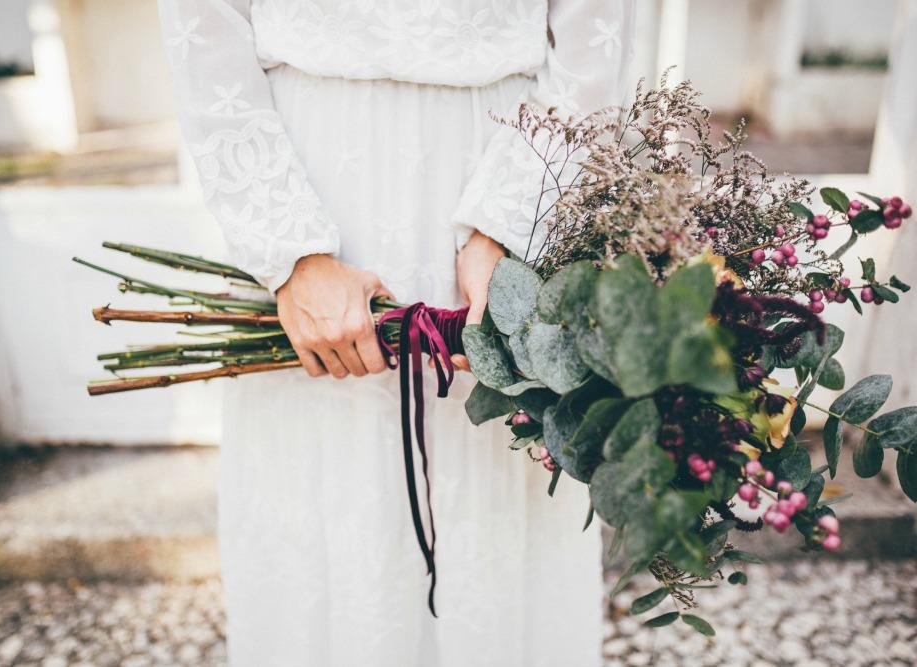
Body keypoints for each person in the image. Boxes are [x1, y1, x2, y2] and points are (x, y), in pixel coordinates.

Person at [157, 1, 634, 664]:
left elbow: (594, 30)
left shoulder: (512, 215)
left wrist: (512, 223)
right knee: (327, 516)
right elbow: (201, 21)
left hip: (505, 162)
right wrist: (291, 249)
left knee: (493, 511)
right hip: (311, 174)